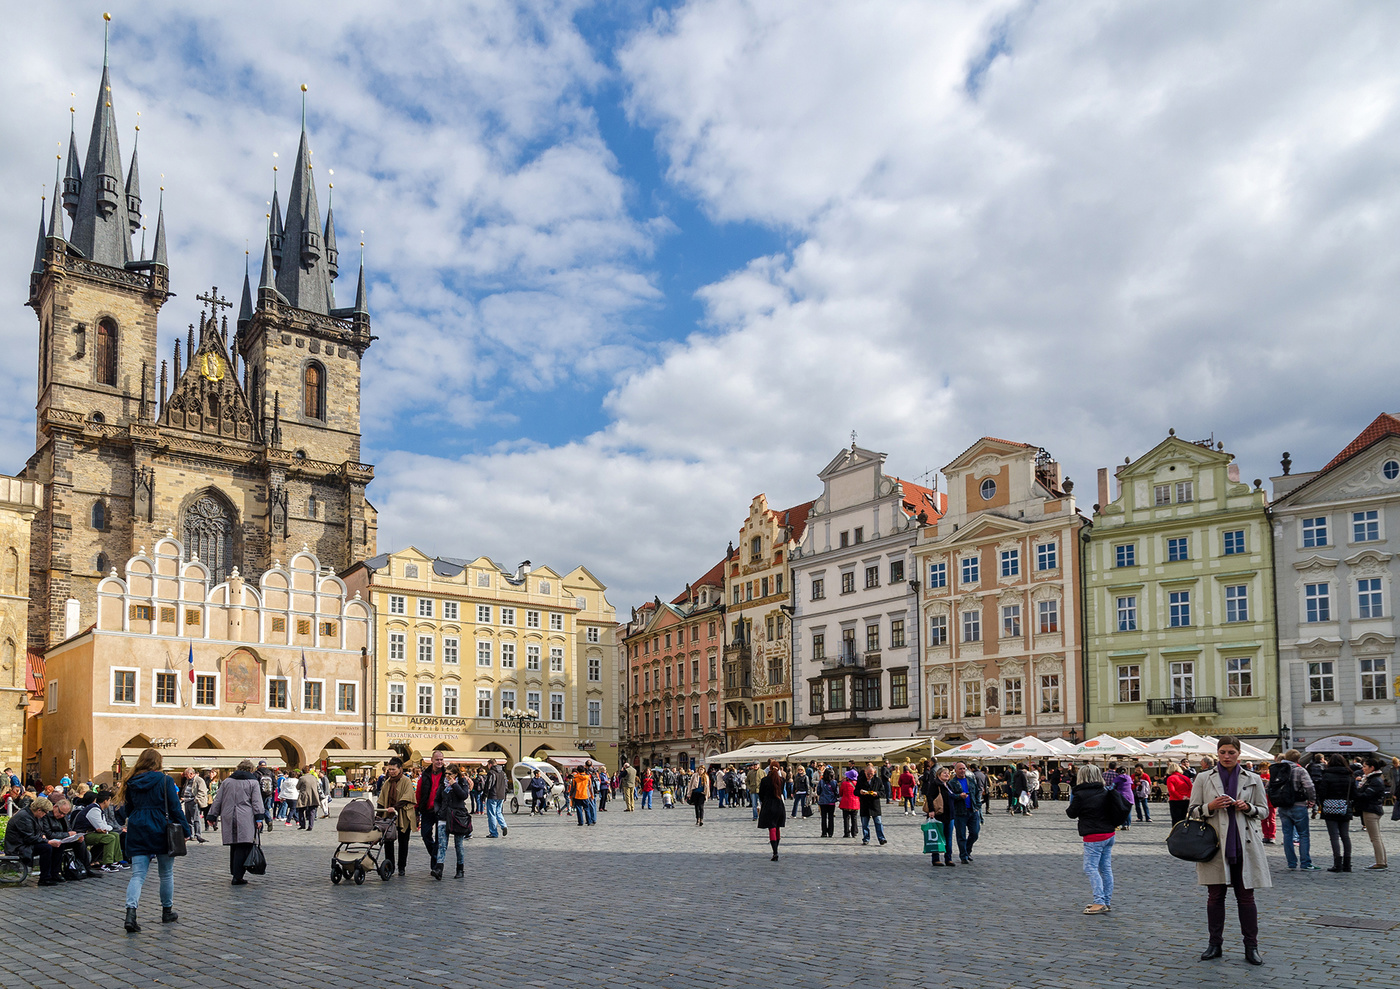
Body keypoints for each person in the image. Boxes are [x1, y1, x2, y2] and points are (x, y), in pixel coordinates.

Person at [1187, 735, 1270, 966]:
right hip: (1214, 846)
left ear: (1239, 754)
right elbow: (1191, 812)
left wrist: (1249, 807)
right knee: (1215, 897)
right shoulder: (1204, 778)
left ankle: (1251, 946)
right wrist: (1210, 807)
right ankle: (1215, 944)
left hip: (1245, 844)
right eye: (1222, 752)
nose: (1226, 756)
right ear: (1217, 753)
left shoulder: (1253, 778)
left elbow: (1264, 811)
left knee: (1246, 898)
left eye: (1231, 752)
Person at [119, 748, 190, 933]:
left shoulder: (131, 781)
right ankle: (167, 911)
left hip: (137, 828)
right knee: (166, 873)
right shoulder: (165, 780)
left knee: (137, 875)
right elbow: (175, 807)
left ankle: (130, 914)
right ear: (158, 762)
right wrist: (186, 829)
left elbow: (127, 810)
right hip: (160, 827)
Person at [1067, 764, 1130, 914]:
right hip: (1109, 834)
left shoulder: (1080, 794)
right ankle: (1106, 901)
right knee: (1106, 869)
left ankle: (1099, 901)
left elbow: (1071, 813)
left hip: (1093, 835)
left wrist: (1073, 795)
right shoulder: (1105, 790)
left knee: (1090, 868)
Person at [209, 759, 265, 885]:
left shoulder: (227, 782)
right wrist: (259, 817)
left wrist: (212, 815)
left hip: (228, 815)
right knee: (244, 845)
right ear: (251, 769)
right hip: (245, 816)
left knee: (234, 845)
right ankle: (237, 875)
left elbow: (218, 799)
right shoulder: (252, 782)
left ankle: (235, 872)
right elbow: (256, 801)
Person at [1266, 748, 1318, 870]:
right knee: (1303, 834)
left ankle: (1291, 863)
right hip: (1299, 805)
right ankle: (1305, 863)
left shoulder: (1277, 770)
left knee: (1287, 835)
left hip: (1283, 806)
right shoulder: (1299, 770)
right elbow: (1309, 786)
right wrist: (1312, 800)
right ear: (1298, 759)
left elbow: (1268, 787)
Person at [3, 796, 63, 886]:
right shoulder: (24, 817)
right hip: (18, 846)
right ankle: (44, 878)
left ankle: (54, 873)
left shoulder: (33, 815)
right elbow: (29, 837)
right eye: (45, 812)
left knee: (58, 845)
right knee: (47, 848)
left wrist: (43, 836)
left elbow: (38, 831)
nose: (45, 815)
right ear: (39, 810)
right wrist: (47, 841)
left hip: (26, 843)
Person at [1315, 753, 1357, 873]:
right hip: (1345, 807)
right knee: (1345, 836)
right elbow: (1354, 793)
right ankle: (1347, 864)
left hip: (1330, 807)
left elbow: (1322, 793)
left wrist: (1323, 803)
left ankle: (1337, 864)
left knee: (1334, 836)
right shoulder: (1350, 776)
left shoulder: (1327, 775)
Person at [376, 757, 417, 876]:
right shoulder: (387, 782)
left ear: (400, 769)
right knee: (388, 841)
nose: (391, 772)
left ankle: (402, 867)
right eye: (390, 769)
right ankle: (390, 865)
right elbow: (382, 799)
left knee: (403, 842)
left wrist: (395, 807)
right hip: (388, 816)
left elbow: (407, 797)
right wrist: (378, 816)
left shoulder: (406, 781)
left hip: (403, 815)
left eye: (393, 769)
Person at [416, 751, 449, 878]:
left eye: (441, 759)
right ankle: (435, 857)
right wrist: (417, 809)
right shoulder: (425, 775)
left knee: (440, 839)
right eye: (437, 759)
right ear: (432, 760)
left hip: (441, 811)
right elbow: (418, 792)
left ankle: (436, 867)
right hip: (427, 810)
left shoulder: (446, 775)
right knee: (425, 835)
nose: (439, 762)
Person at [75, 791, 124, 871]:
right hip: (83, 834)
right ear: (105, 801)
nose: (110, 803)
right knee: (110, 837)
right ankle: (107, 863)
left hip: (91, 832)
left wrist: (106, 829)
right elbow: (102, 827)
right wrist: (107, 828)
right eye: (109, 800)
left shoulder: (100, 809)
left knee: (115, 834)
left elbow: (104, 826)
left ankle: (116, 860)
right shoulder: (94, 810)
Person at [1357, 754, 1389, 870]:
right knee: (1376, 837)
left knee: (1375, 837)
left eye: (1365, 766)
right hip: (1372, 809)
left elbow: (1366, 795)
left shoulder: (1374, 781)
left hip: (1371, 810)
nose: (1363, 768)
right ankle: (1382, 860)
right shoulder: (1373, 779)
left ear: (1371, 768)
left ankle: (1380, 862)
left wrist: (1357, 794)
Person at [442, 767, 473, 878]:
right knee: (442, 844)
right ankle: (438, 868)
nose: (447, 776)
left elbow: (463, 795)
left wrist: (454, 784)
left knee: (458, 845)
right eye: (446, 773)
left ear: (455, 774)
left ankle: (460, 869)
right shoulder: (444, 783)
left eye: (449, 773)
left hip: (458, 816)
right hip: (446, 815)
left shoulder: (462, 782)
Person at [949, 763, 982, 864]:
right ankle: (963, 856)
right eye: (960, 769)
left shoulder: (970, 780)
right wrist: (959, 796)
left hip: (972, 810)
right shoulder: (952, 782)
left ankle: (967, 851)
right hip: (959, 812)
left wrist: (977, 806)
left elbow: (977, 792)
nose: (962, 770)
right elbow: (950, 796)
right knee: (961, 835)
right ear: (955, 770)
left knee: (975, 833)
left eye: (964, 769)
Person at [926, 767, 956, 867]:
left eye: (948, 773)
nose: (947, 775)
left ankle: (948, 858)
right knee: (937, 837)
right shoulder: (935, 784)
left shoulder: (949, 785)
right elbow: (929, 797)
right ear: (939, 775)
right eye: (944, 773)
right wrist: (931, 810)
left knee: (949, 838)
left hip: (950, 814)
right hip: (939, 814)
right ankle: (936, 859)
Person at [758, 761, 786, 861]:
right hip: (779, 805)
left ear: (769, 768)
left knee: (772, 828)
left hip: (769, 805)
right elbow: (782, 792)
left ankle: (775, 852)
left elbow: (760, 794)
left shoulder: (765, 780)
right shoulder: (782, 780)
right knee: (777, 828)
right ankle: (776, 849)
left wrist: (764, 801)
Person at [856, 763, 887, 846]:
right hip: (865, 805)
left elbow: (883, 793)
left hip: (875, 805)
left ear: (875, 772)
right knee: (865, 824)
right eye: (868, 773)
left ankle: (881, 838)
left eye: (871, 773)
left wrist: (877, 793)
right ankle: (866, 838)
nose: (870, 775)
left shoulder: (878, 780)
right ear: (865, 772)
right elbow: (855, 791)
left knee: (878, 823)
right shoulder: (861, 780)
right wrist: (860, 792)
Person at [178, 769, 210, 844]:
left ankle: (197, 835)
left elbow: (202, 791)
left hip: (193, 801)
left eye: (186, 774)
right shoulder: (188, 780)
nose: (185, 776)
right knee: (188, 819)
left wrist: (196, 800)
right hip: (187, 801)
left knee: (196, 819)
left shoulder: (199, 780)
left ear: (191, 774)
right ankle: (190, 834)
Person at [483, 759, 509, 837]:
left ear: (490, 764)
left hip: (493, 795)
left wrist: (484, 795)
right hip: (501, 795)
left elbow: (488, 785)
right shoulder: (503, 773)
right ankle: (504, 825)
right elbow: (506, 785)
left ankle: (494, 832)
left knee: (491, 814)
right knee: (498, 812)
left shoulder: (491, 773)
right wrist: (505, 795)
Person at [838, 769, 860, 838]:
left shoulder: (844, 783)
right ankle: (854, 832)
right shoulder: (857, 784)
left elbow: (840, 793)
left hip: (845, 803)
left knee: (846, 819)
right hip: (855, 803)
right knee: (854, 818)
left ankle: (846, 833)